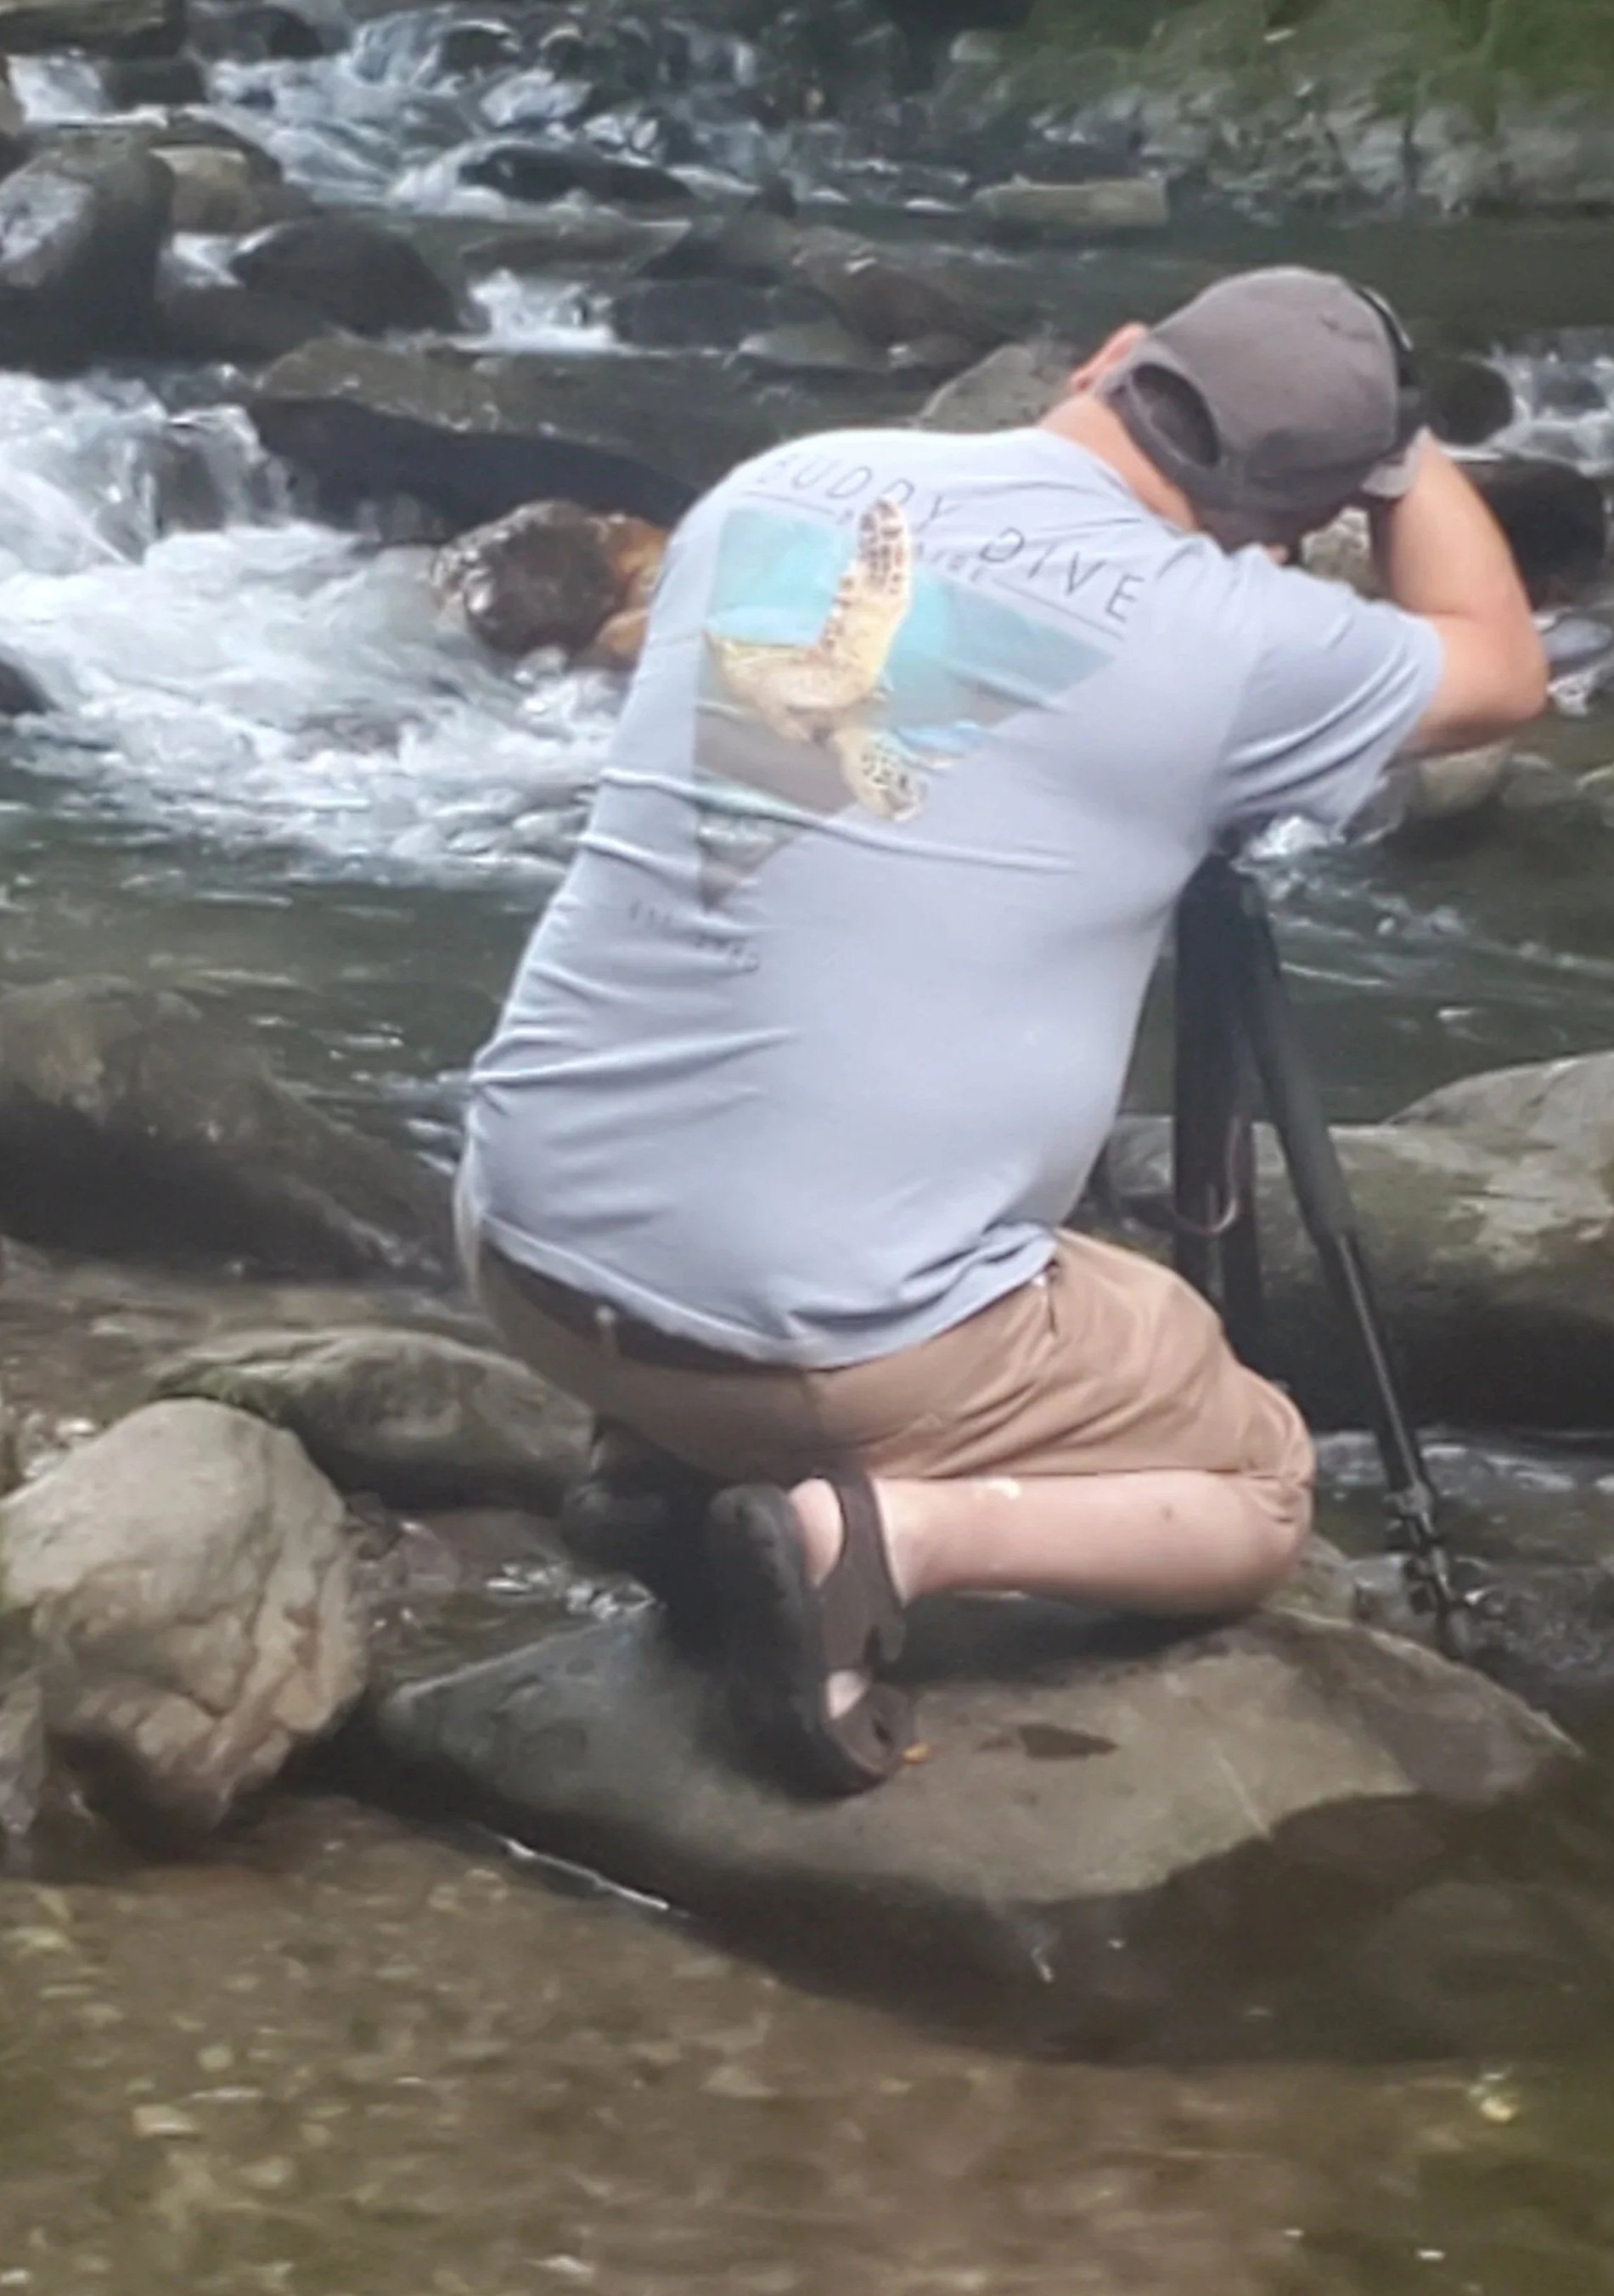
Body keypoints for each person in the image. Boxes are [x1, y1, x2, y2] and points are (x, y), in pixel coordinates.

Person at [456, 267, 1546, 1797]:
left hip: (522, 1247)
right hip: (814, 1343)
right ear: (1304, 511)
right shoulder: (1239, 639)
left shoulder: (783, 483)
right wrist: (1403, 451)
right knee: (1253, 1473)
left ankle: (656, 1470)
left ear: (1113, 361)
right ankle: (871, 1539)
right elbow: (1499, 666)